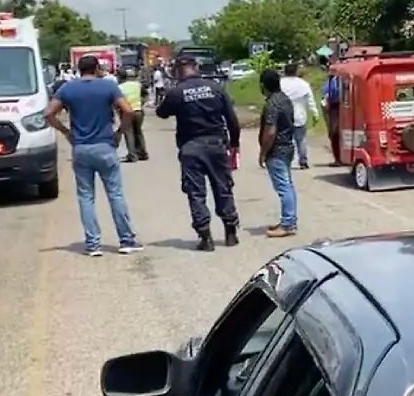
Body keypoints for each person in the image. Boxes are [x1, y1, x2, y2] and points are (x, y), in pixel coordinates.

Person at [44, 55, 142, 257]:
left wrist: (66, 131)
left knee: (85, 196)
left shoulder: (68, 89)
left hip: (81, 148)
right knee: (115, 194)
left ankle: (93, 243)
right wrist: (119, 133)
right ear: (96, 68)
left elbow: (48, 114)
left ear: (79, 69)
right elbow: (128, 111)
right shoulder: (108, 87)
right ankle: (126, 240)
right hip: (105, 145)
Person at [156, 55, 241, 251]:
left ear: (178, 70)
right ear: (196, 67)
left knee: (196, 192)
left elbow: (161, 113)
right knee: (223, 187)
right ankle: (230, 232)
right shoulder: (215, 88)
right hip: (216, 144)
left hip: (190, 147)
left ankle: (206, 237)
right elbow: (231, 119)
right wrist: (234, 143)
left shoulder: (177, 92)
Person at [258, 69, 298, 237]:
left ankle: (287, 223)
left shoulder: (272, 104)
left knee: (283, 187)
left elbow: (271, 131)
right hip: (288, 147)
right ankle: (289, 220)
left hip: (277, 150)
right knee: (288, 185)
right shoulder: (285, 100)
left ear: (262, 85)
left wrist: (263, 152)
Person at [281, 62, 319, 169]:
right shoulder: (303, 84)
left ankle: (286, 160)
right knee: (300, 139)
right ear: (296, 71)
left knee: (285, 140)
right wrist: (315, 114)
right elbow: (310, 101)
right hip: (299, 115)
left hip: (284, 115)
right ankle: (303, 161)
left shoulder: (280, 84)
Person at [117, 69, 148, 162]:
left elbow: (117, 101)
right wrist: (141, 103)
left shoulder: (119, 87)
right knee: (138, 132)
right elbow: (145, 94)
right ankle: (143, 153)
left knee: (128, 133)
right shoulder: (138, 84)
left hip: (126, 112)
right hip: (138, 111)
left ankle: (132, 155)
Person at [321, 65, 342, 165]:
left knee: (334, 134)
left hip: (336, 107)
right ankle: (338, 158)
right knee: (335, 134)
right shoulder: (330, 82)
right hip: (336, 107)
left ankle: (338, 159)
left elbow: (326, 98)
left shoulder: (332, 81)